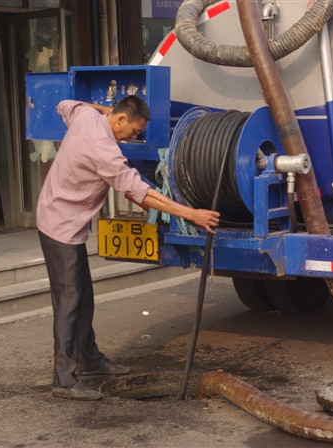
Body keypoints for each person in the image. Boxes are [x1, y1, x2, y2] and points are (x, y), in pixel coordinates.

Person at [36, 95, 220, 401]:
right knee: (69, 301)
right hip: (60, 226)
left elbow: (65, 104)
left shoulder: (85, 116)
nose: (134, 138)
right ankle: (63, 379)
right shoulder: (104, 151)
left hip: (66, 222)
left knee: (83, 296)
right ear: (120, 120)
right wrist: (191, 214)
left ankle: (89, 359)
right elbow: (142, 193)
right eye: (134, 131)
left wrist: (107, 109)